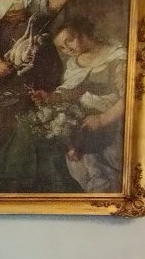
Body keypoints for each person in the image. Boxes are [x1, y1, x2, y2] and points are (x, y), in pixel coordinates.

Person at [51, 17, 127, 192]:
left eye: (70, 40)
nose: (68, 49)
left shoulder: (117, 57)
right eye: (62, 47)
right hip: (84, 120)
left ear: (83, 32)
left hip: (111, 120)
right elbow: (71, 91)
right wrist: (50, 97)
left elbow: (132, 98)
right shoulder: (74, 64)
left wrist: (102, 119)